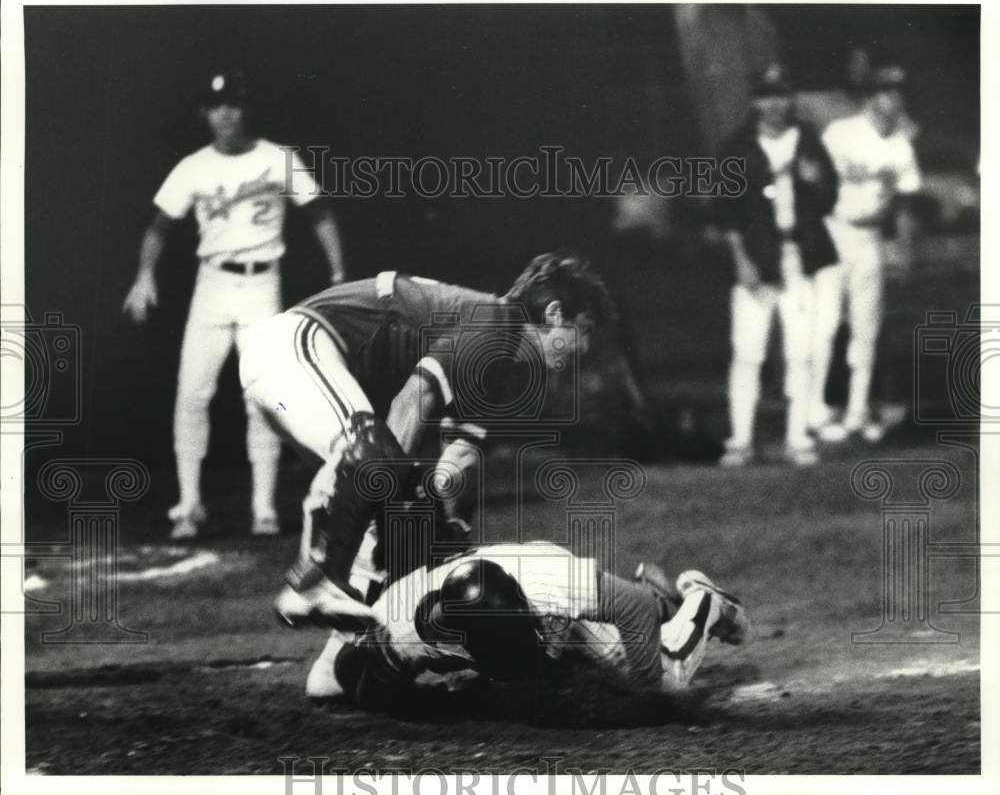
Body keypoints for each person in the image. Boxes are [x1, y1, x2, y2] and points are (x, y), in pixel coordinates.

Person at [238, 252, 615, 631]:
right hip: (288, 350)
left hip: (306, 371)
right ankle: (314, 585)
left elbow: (458, 462)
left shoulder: (508, 365)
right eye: (584, 330)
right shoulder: (495, 323)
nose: (584, 348)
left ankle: (350, 657)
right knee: (380, 465)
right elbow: (410, 402)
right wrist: (397, 506)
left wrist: (451, 539)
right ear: (553, 313)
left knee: (407, 498)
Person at [122, 69, 346, 539]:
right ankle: (189, 505)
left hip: (263, 282)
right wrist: (144, 275)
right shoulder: (194, 166)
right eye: (215, 105)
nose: (225, 113)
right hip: (212, 285)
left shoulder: (278, 158)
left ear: (246, 109)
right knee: (191, 392)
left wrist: (338, 273)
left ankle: (263, 508)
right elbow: (158, 226)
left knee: (260, 396)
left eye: (234, 104)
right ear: (204, 113)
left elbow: (319, 212)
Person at [301, 540, 748, 708]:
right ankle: (665, 602)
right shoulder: (405, 631)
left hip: (558, 601)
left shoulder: (545, 583)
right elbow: (354, 680)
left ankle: (701, 600)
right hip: (462, 627)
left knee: (664, 683)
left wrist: (646, 697)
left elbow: (629, 606)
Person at [716, 64, 839, 467]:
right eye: (767, 96)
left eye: (783, 95)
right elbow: (727, 214)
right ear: (755, 101)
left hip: (799, 258)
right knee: (748, 352)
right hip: (757, 260)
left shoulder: (807, 140)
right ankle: (740, 440)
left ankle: (797, 437)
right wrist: (742, 262)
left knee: (800, 351)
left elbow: (827, 199)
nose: (775, 104)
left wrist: (814, 180)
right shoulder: (737, 147)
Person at [810, 66, 921, 442]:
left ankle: (856, 412)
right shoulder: (842, 133)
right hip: (833, 231)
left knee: (866, 327)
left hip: (870, 238)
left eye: (899, 92)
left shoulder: (901, 146)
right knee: (824, 322)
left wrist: (904, 248)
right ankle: (816, 409)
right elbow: (814, 180)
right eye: (886, 92)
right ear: (871, 97)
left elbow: (905, 204)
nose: (894, 98)